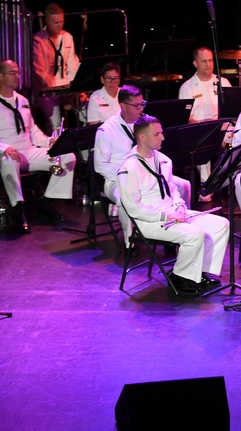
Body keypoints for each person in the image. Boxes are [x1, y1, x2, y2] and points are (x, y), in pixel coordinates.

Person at [116, 115, 230, 295]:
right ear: (142, 138)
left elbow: (172, 190)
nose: (162, 137)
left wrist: (179, 206)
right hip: (149, 221)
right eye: (157, 134)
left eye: (161, 133)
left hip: (172, 214)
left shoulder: (163, 160)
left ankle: (199, 273)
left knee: (221, 224)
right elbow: (133, 209)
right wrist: (166, 216)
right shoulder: (129, 167)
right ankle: (180, 277)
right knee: (195, 235)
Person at [0, 59, 76, 232]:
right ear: (0, 76)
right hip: (1, 155)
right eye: (12, 73)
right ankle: (17, 209)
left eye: (18, 72)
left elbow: (32, 130)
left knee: (67, 156)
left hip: (27, 151)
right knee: (9, 160)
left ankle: (47, 201)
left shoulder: (22, 100)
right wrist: (5, 148)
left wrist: (48, 141)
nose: (17, 76)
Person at [95, 84, 192, 241]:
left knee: (183, 185)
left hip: (151, 174)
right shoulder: (106, 130)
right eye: (136, 105)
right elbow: (101, 165)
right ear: (123, 106)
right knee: (123, 198)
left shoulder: (146, 123)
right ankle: (131, 239)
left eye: (142, 104)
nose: (141, 109)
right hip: (118, 180)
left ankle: (180, 224)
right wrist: (132, 177)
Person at [178, 46, 232, 201]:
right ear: (195, 63)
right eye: (204, 61)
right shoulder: (187, 87)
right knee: (202, 143)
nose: (208, 64)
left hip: (223, 126)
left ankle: (231, 179)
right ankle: (206, 186)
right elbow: (187, 118)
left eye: (210, 60)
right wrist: (203, 127)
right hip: (200, 128)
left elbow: (232, 110)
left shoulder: (223, 82)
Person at [32, 3, 81, 135]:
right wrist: (55, 88)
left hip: (66, 86)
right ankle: (55, 150)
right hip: (46, 90)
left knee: (87, 106)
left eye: (61, 22)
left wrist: (74, 87)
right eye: (55, 23)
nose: (59, 25)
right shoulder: (38, 40)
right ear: (47, 21)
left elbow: (73, 65)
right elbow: (39, 72)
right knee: (55, 123)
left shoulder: (67, 37)